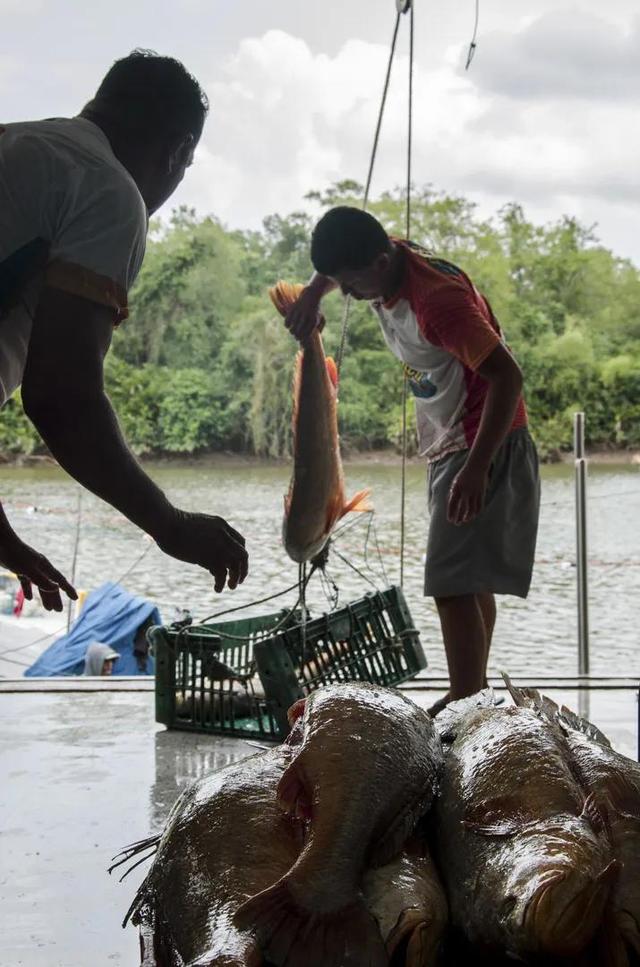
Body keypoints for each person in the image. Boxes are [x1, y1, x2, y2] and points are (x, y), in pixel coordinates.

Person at [0, 50, 248, 613]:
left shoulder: (19, 146)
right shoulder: (106, 190)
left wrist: (5, 541)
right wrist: (170, 523)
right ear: (179, 150)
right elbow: (61, 396)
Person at [284, 206, 540, 713]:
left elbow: (507, 378)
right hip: (451, 442)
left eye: (350, 283)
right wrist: (314, 292)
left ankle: (465, 698)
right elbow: (344, 259)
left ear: (380, 263)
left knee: (449, 583)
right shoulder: (386, 254)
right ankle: (476, 692)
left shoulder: (439, 303)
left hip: (482, 441)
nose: (349, 293)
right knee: (468, 578)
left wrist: (476, 468)